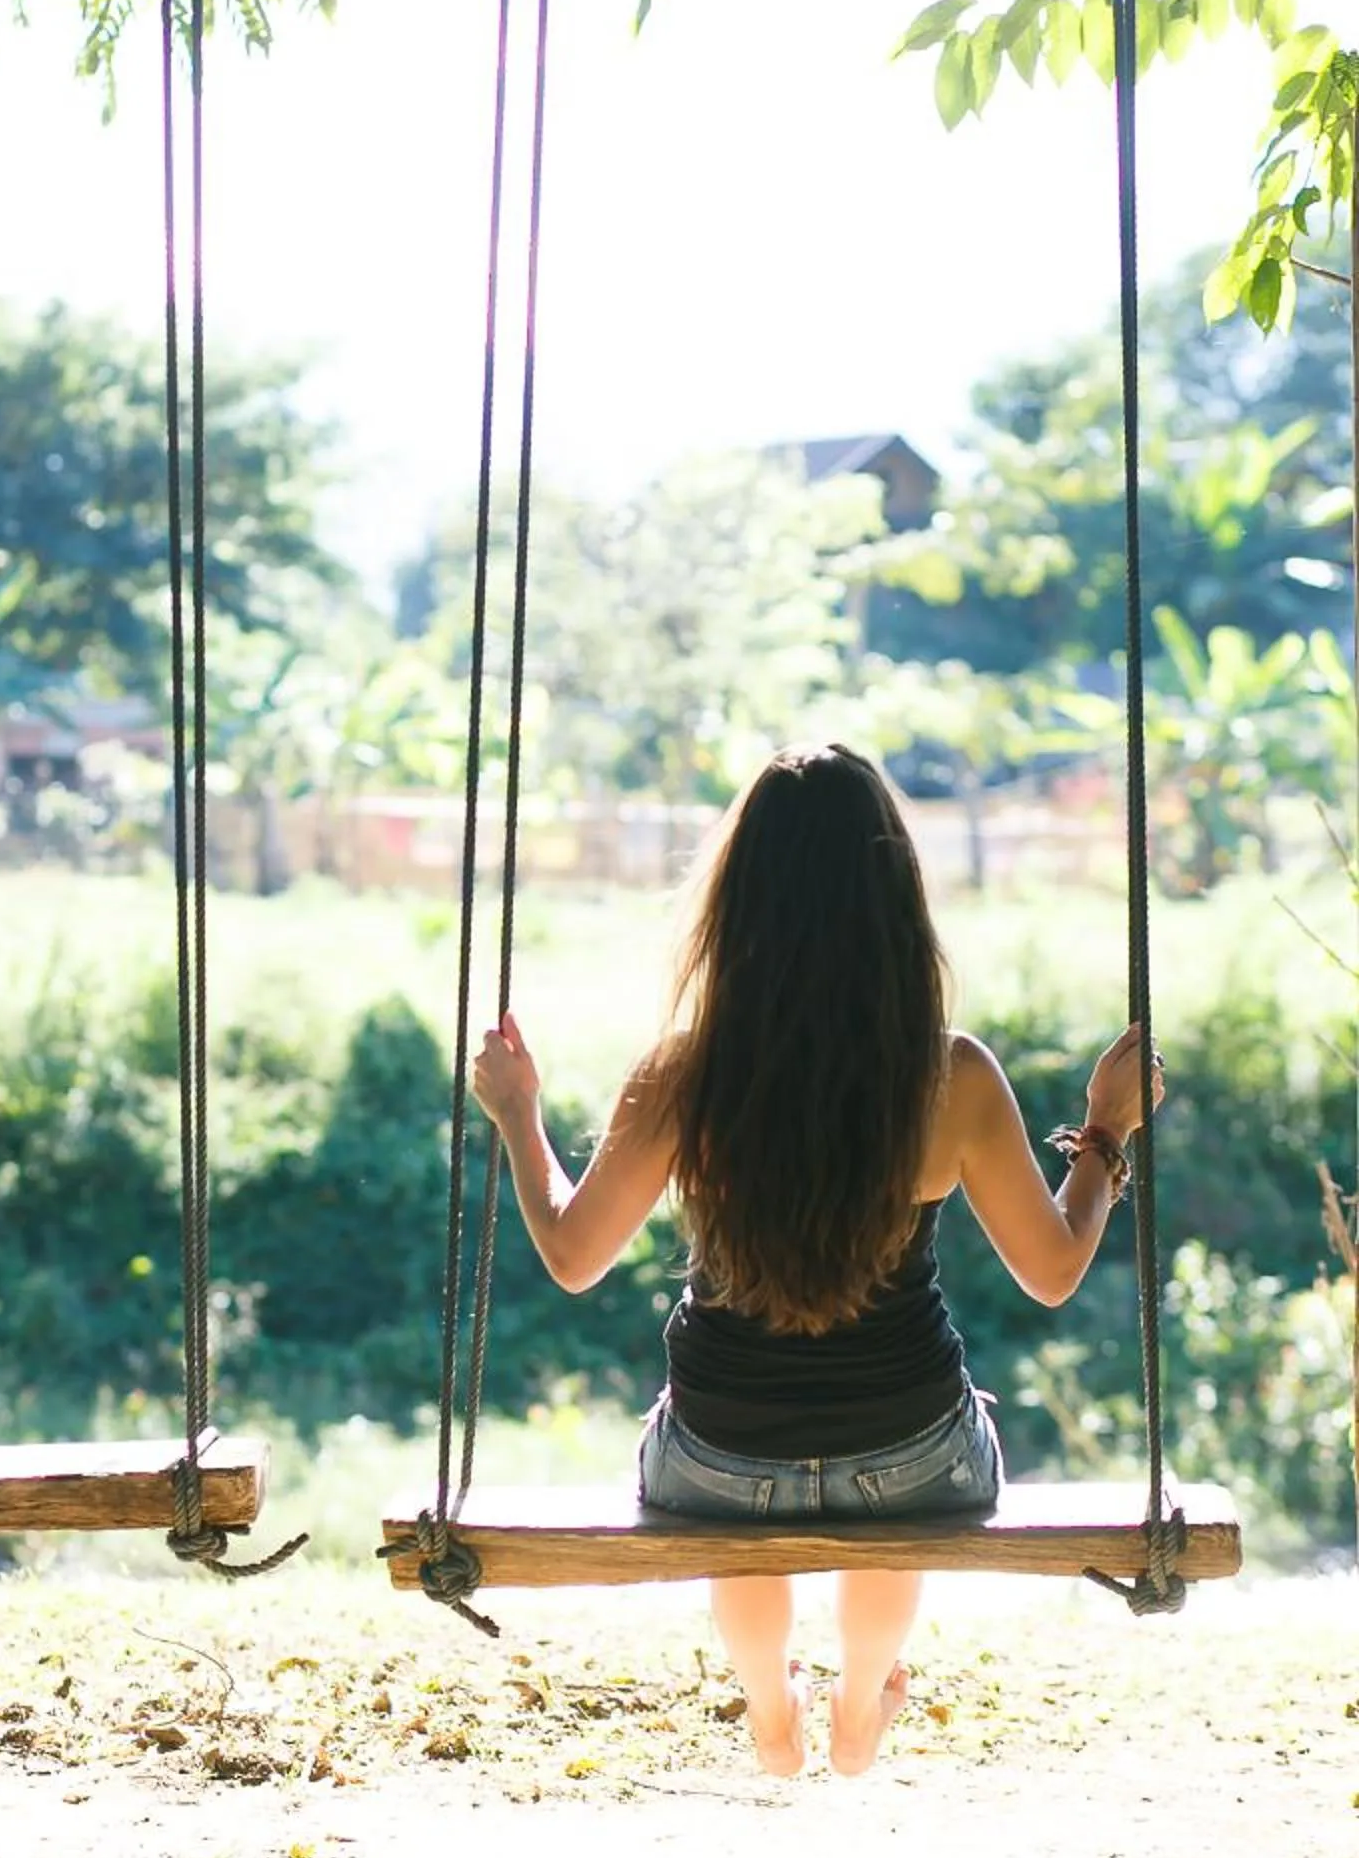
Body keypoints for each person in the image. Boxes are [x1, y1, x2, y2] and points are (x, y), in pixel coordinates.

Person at [470, 742, 1162, 1782]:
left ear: (736, 902)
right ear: (893, 896)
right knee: (903, 1471)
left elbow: (571, 1255)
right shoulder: (949, 1073)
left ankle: (765, 1702)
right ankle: (857, 1692)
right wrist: (1104, 1134)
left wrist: (518, 1116)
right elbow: (1053, 1270)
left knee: (731, 1469)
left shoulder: (681, 1073)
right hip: (912, 1451)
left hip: (720, 1453)